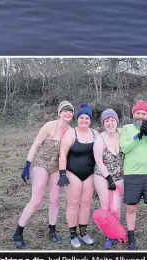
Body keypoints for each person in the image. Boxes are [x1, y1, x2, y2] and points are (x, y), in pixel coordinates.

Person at [12, 100, 74, 249]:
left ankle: (52, 231)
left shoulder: (71, 130)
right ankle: (18, 233)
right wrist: (27, 165)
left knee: (55, 200)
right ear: (59, 112)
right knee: (37, 200)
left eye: (70, 111)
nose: (68, 113)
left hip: (56, 168)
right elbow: (36, 144)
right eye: (65, 110)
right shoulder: (49, 126)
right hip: (41, 164)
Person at [120, 100, 147, 250]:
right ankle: (131, 237)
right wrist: (138, 136)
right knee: (131, 208)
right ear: (133, 114)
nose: (140, 116)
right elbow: (124, 148)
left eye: (143, 113)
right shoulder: (125, 128)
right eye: (138, 113)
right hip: (132, 174)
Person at [58, 102, 99, 247]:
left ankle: (83, 232)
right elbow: (62, 155)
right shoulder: (71, 133)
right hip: (72, 173)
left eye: (87, 118)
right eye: (81, 118)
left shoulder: (95, 134)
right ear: (77, 119)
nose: (84, 120)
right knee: (73, 203)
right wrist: (62, 174)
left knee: (86, 204)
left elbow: (101, 154)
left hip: (90, 174)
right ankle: (73, 234)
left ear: (90, 120)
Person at [93, 108, 124, 250]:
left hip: (120, 176)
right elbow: (99, 161)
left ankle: (115, 231)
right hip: (102, 176)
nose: (110, 123)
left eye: (112, 120)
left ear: (117, 121)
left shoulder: (123, 134)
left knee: (116, 208)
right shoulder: (100, 139)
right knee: (106, 206)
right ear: (103, 123)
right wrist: (109, 179)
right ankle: (109, 236)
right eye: (107, 121)